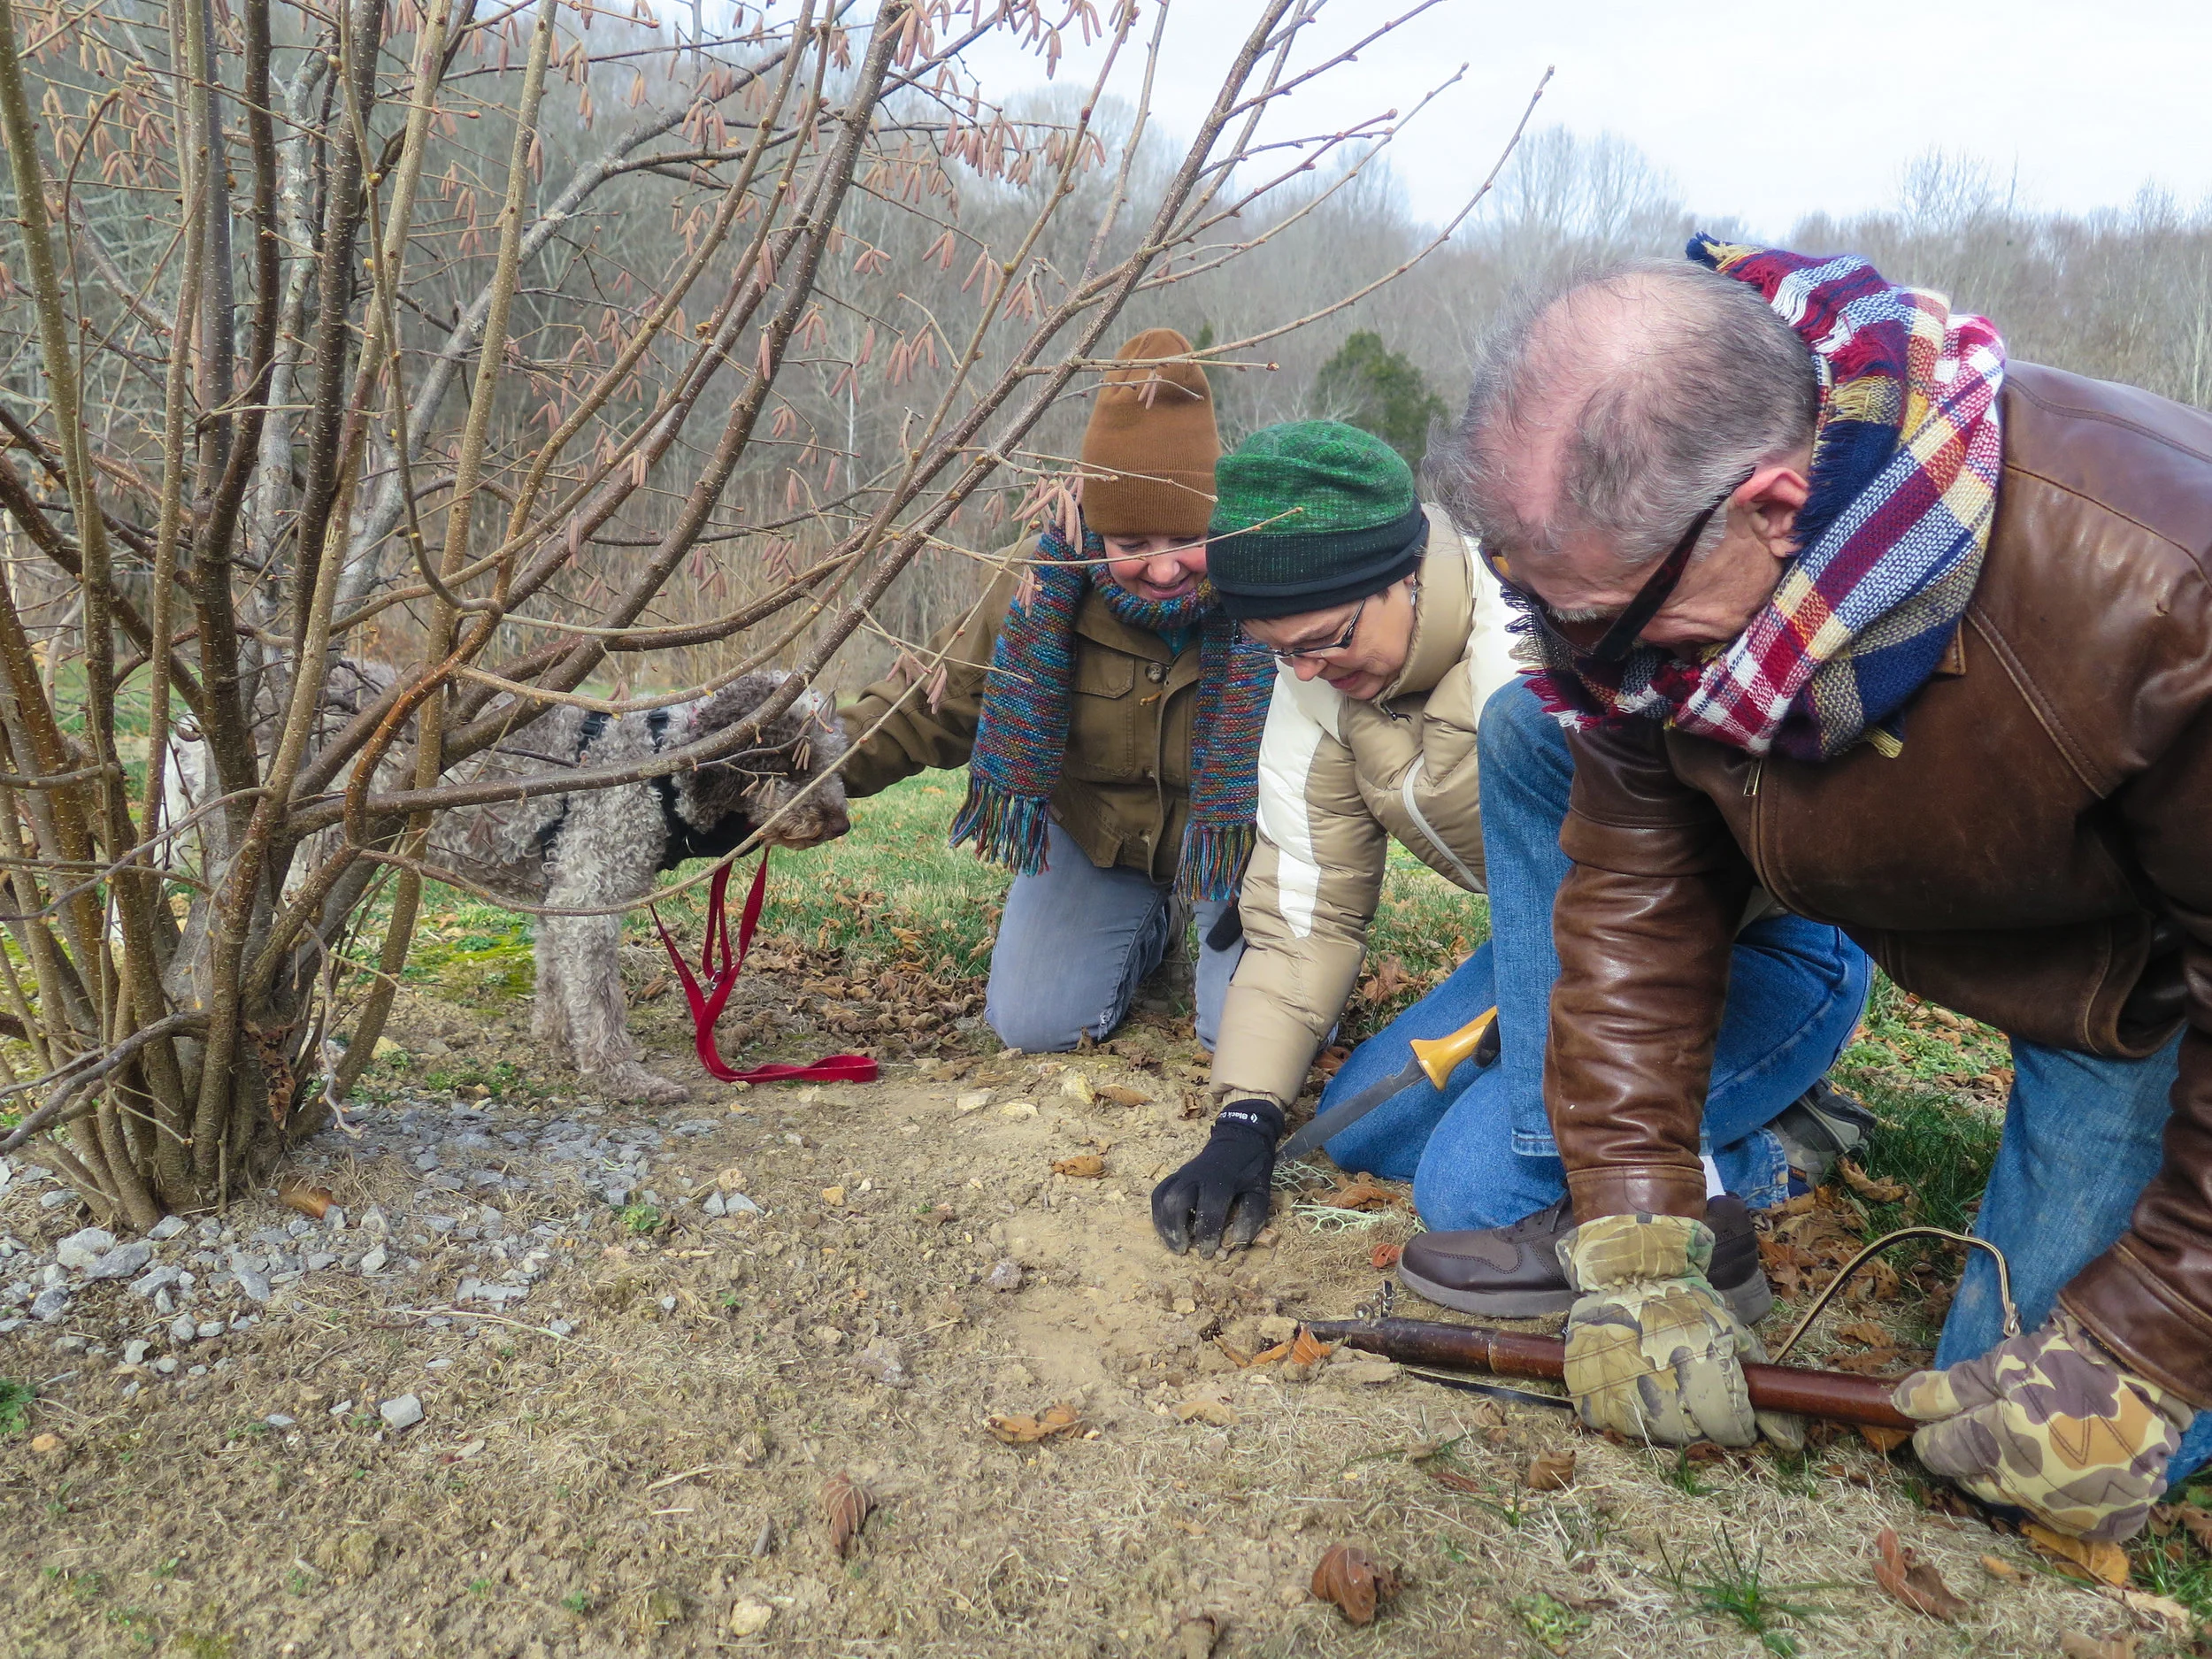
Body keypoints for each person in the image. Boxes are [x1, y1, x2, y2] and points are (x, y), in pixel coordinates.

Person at [1434, 236, 2212, 1540]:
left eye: (1610, 623)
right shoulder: (1639, 606)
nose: (1586, 664)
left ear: (1775, 506)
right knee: (1985, 1421)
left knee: (2037, 1445)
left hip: (2142, 990)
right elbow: (1637, 901)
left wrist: (2152, 1344)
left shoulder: (2165, 590)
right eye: (1545, 612)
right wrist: (1639, 1232)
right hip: (1979, 900)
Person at [1148, 420, 1873, 1321]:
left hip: (1748, 943)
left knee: (1472, 1193)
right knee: (1363, 1124)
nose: (1307, 671)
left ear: (1404, 573)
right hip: (1555, 948)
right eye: (1278, 652)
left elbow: (1715, 857)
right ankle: (1614, 1116)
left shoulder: (1543, 631)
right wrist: (1243, 1120)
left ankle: (1777, 1147)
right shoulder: (1315, 689)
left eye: (1325, 639)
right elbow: (1308, 917)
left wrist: (1564, 1012)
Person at [838, 329, 1273, 1053]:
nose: (1165, 571)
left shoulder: (1269, 580)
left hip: (1242, 847)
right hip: (1101, 838)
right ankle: (1151, 927)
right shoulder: (1038, 585)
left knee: (1248, 1040)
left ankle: (1236, 949)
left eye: (1184, 538)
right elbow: (931, 707)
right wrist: (805, 764)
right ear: (1097, 530)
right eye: (1134, 545)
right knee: (1033, 1023)